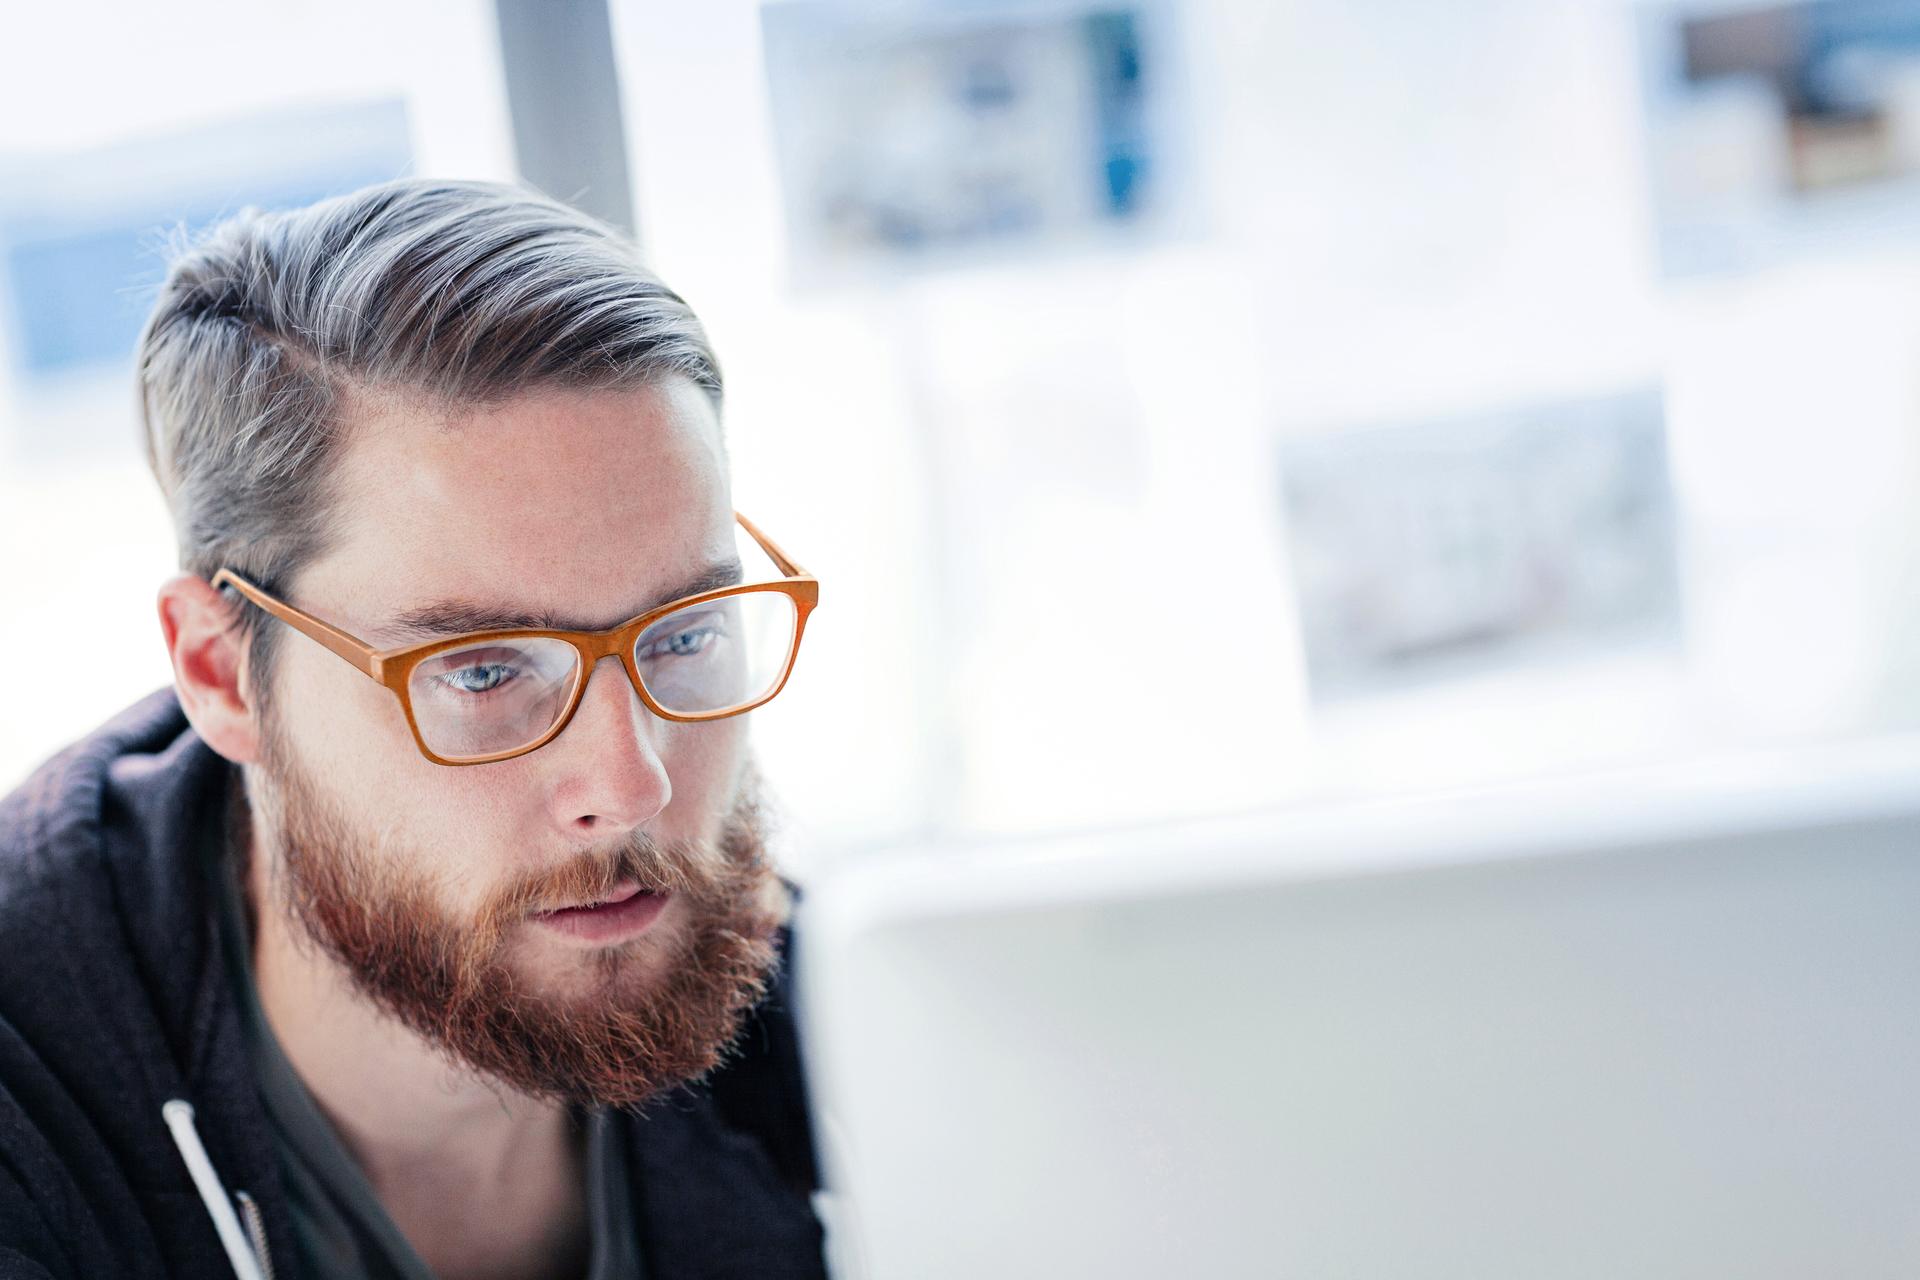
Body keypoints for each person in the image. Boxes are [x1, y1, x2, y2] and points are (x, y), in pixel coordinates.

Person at [0, 179, 826, 1279]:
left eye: (683, 635)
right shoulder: (28, 1115)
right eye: (482, 670)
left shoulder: (858, 1022)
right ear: (222, 673)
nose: (633, 786)